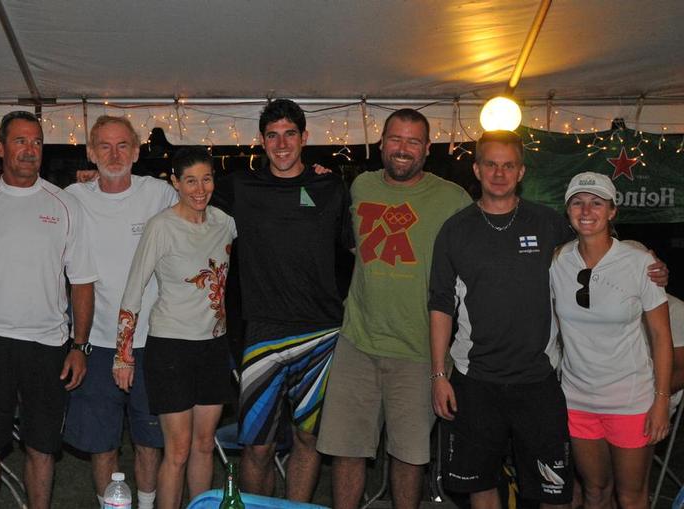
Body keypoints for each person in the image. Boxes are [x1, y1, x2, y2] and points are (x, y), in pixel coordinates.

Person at [0, 115, 177, 508]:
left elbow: (202, 213)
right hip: (95, 342)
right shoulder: (73, 197)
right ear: (90, 152)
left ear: (137, 150)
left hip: (150, 340)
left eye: (123, 145)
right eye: (105, 146)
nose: (114, 154)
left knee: (149, 442)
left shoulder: (160, 193)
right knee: (100, 444)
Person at [317, 108, 472, 509]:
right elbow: (350, 241)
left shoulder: (452, 199)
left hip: (420, 350)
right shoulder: (362, 186)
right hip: (358, 343)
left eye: (413, 142)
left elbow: (483, 257)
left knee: (409, 456)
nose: (403, 149)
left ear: (427, 148)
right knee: (347, 451)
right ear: (382, 143)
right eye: (395, 140)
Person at [0, 110, 97, 509]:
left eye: (36, 141)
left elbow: (82, 281)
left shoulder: (65, 205)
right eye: (19, 141)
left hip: (47, 345)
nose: (29, 150)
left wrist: (79, 346)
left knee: (42, 446)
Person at [427, 130, 577, 509]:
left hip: (538, 380)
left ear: (521, 171)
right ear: (476, 169)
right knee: (481, 485)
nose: (499, 173)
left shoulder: (548, 224)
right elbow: (440, 305)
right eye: (490, 164)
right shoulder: (455, 230)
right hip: (476, 381)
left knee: (554, 491)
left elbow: (596, 251)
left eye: (508, 165)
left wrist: (645, 259)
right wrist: (439, 376)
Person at [212, 99, 353, 501]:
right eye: (272, 135)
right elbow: (192, 200)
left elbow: (358, 248)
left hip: (322, 333)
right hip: (263, 333)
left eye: (290, 133)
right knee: (257, 446)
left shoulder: (331, 187)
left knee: (308, 442)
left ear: (305, 137)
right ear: (261, 141)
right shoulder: (240, 188)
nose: (282, 143)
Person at [116, 147, 236, 509]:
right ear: (175, 183)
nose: (199, 189)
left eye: (206, 179)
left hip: (214, 347)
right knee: (179, 450)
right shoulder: (161, 226)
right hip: (171, 347)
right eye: (190, 181)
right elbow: (133, 290)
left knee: (204, 444)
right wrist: (123, 356)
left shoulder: (225, 223)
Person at [551, 171, 673, 509]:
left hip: (631, 401)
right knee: (594, 491)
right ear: (568, 210)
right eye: (577, 202)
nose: (586, 210)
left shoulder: (639, 262)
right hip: (577, 400)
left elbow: (662, 337)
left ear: (612, 211)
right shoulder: (558, 261)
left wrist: (661, 401)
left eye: (596, 202)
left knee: (632, 495)